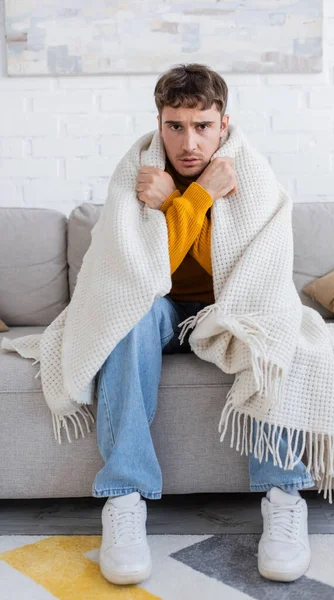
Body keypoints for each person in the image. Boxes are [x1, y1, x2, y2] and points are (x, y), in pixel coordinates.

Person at [92, 63, 315, 587]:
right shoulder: (138, 173)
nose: (188, 142)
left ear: (224, 124)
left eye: (202, 126)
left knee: (273, 324)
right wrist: (191, 199)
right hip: (164, 311)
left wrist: (183, 201)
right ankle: (124, 497)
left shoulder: (252, 174)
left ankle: (284, 495)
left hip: (234, 308)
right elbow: (147, 272)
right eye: (175, 126)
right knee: (131, 311)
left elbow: (247, 275)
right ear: (159, 123)